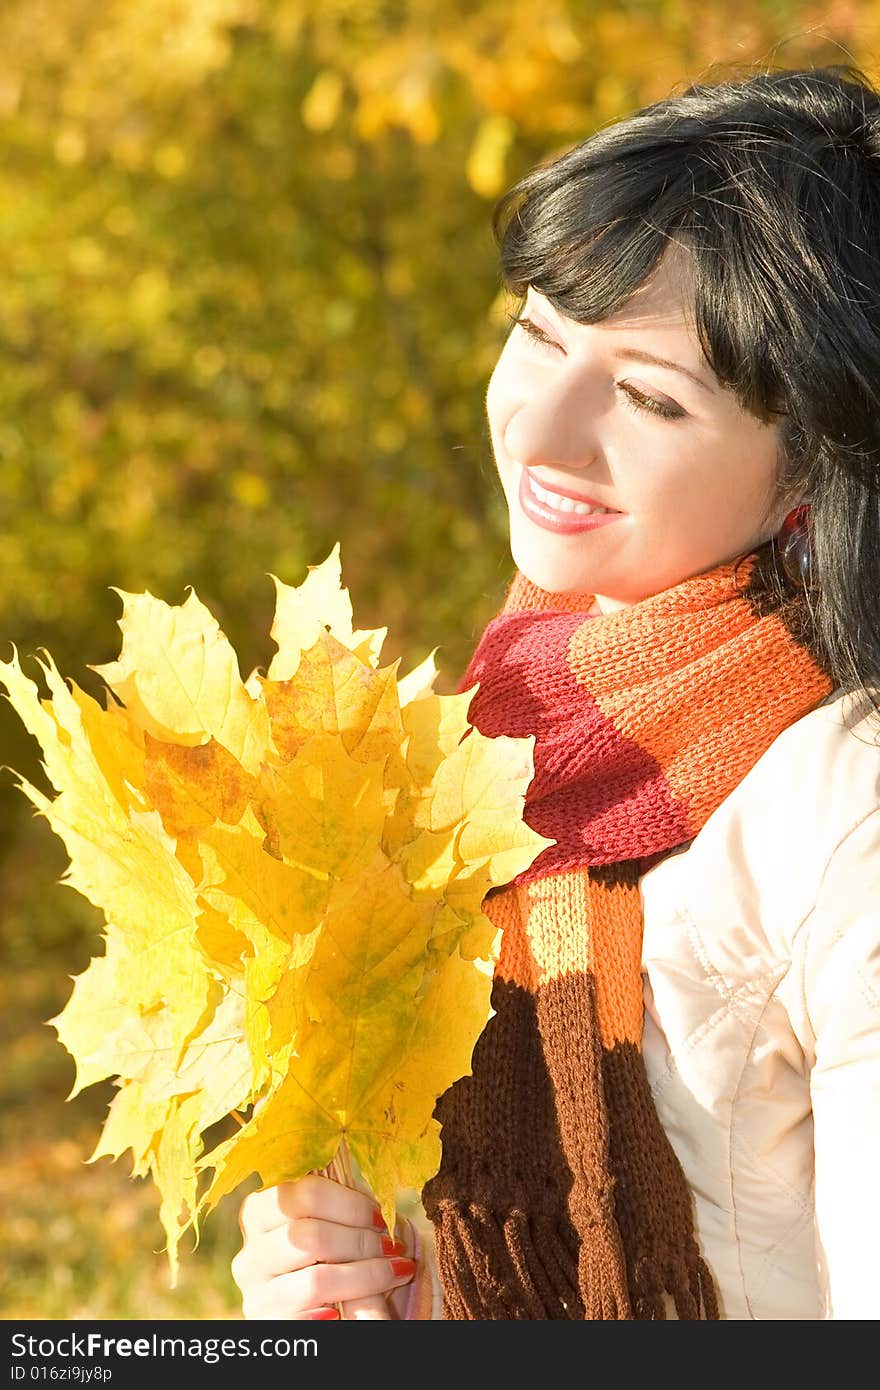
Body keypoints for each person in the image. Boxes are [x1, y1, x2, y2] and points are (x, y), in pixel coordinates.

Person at [230, 63, 880, 1320]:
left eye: (646, 395)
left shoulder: (841, 800)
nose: (540, 431)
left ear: (812, 466)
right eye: (537, 331)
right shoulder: (480, 749)